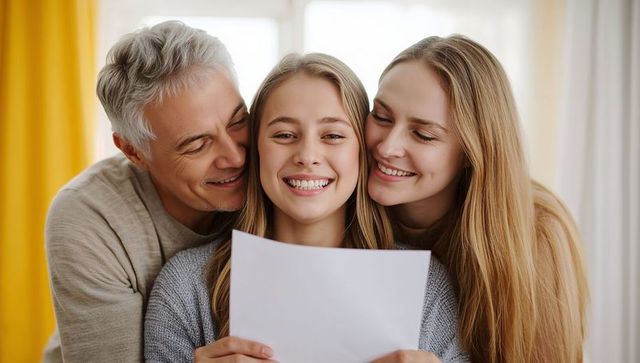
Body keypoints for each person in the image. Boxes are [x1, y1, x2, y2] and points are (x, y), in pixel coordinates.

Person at [144, 53, 469, 363]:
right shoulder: (187, 287)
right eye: (284, 134)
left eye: (332, 135)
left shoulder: (423, 287)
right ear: (256, 148)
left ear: (364, 150)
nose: (307, 155)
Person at [365, 35, 589, 362]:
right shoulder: (348, 207)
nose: (386, 147)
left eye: (423, 135)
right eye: (381, 117)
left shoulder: (536, 233)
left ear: (473, 152)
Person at [44, 21, 248, 362]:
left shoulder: (276, 171)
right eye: (197, 145)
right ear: (134, 152)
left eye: (237, 121)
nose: (236, 156)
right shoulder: (91, 218)